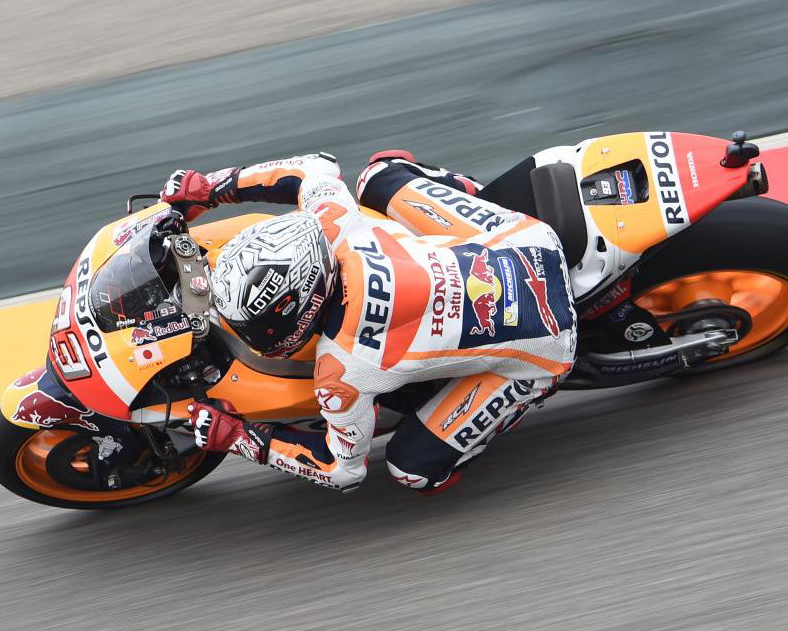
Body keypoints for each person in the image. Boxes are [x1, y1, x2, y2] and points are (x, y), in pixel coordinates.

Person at [158, 150, 577, 494]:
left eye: (256, 325)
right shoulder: (338, 226)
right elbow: (314, 167)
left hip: (549, 342)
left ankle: (528, 390)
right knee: (380, 174)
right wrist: (213, 187)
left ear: (297, 312)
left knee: (414, 471)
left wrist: (241, 439)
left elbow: (343, 471)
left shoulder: (342, 370)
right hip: (528, 239)